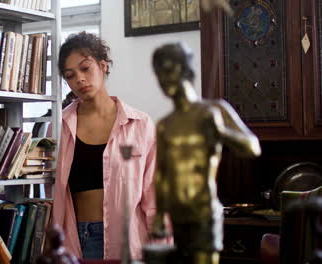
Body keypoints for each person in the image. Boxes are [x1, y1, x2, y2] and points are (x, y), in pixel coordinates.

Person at [52, 31, 160, 260]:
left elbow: (155, 196)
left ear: (103, 66)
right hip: (74, 238)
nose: (79, 79)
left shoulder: (140, 124)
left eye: (85, 68)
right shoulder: (59, 126)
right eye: (70, 75)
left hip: (127, 240)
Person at [151, 43, 261, 263]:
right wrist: (160, 213)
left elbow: (252, 148)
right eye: (159, 74)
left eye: (169, 70)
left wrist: (222, 131)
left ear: (185, 69)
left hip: (203, 212)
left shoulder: (213, 110)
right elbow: (162, 173)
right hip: (178, 214)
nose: (164, 79)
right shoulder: (165, 124)